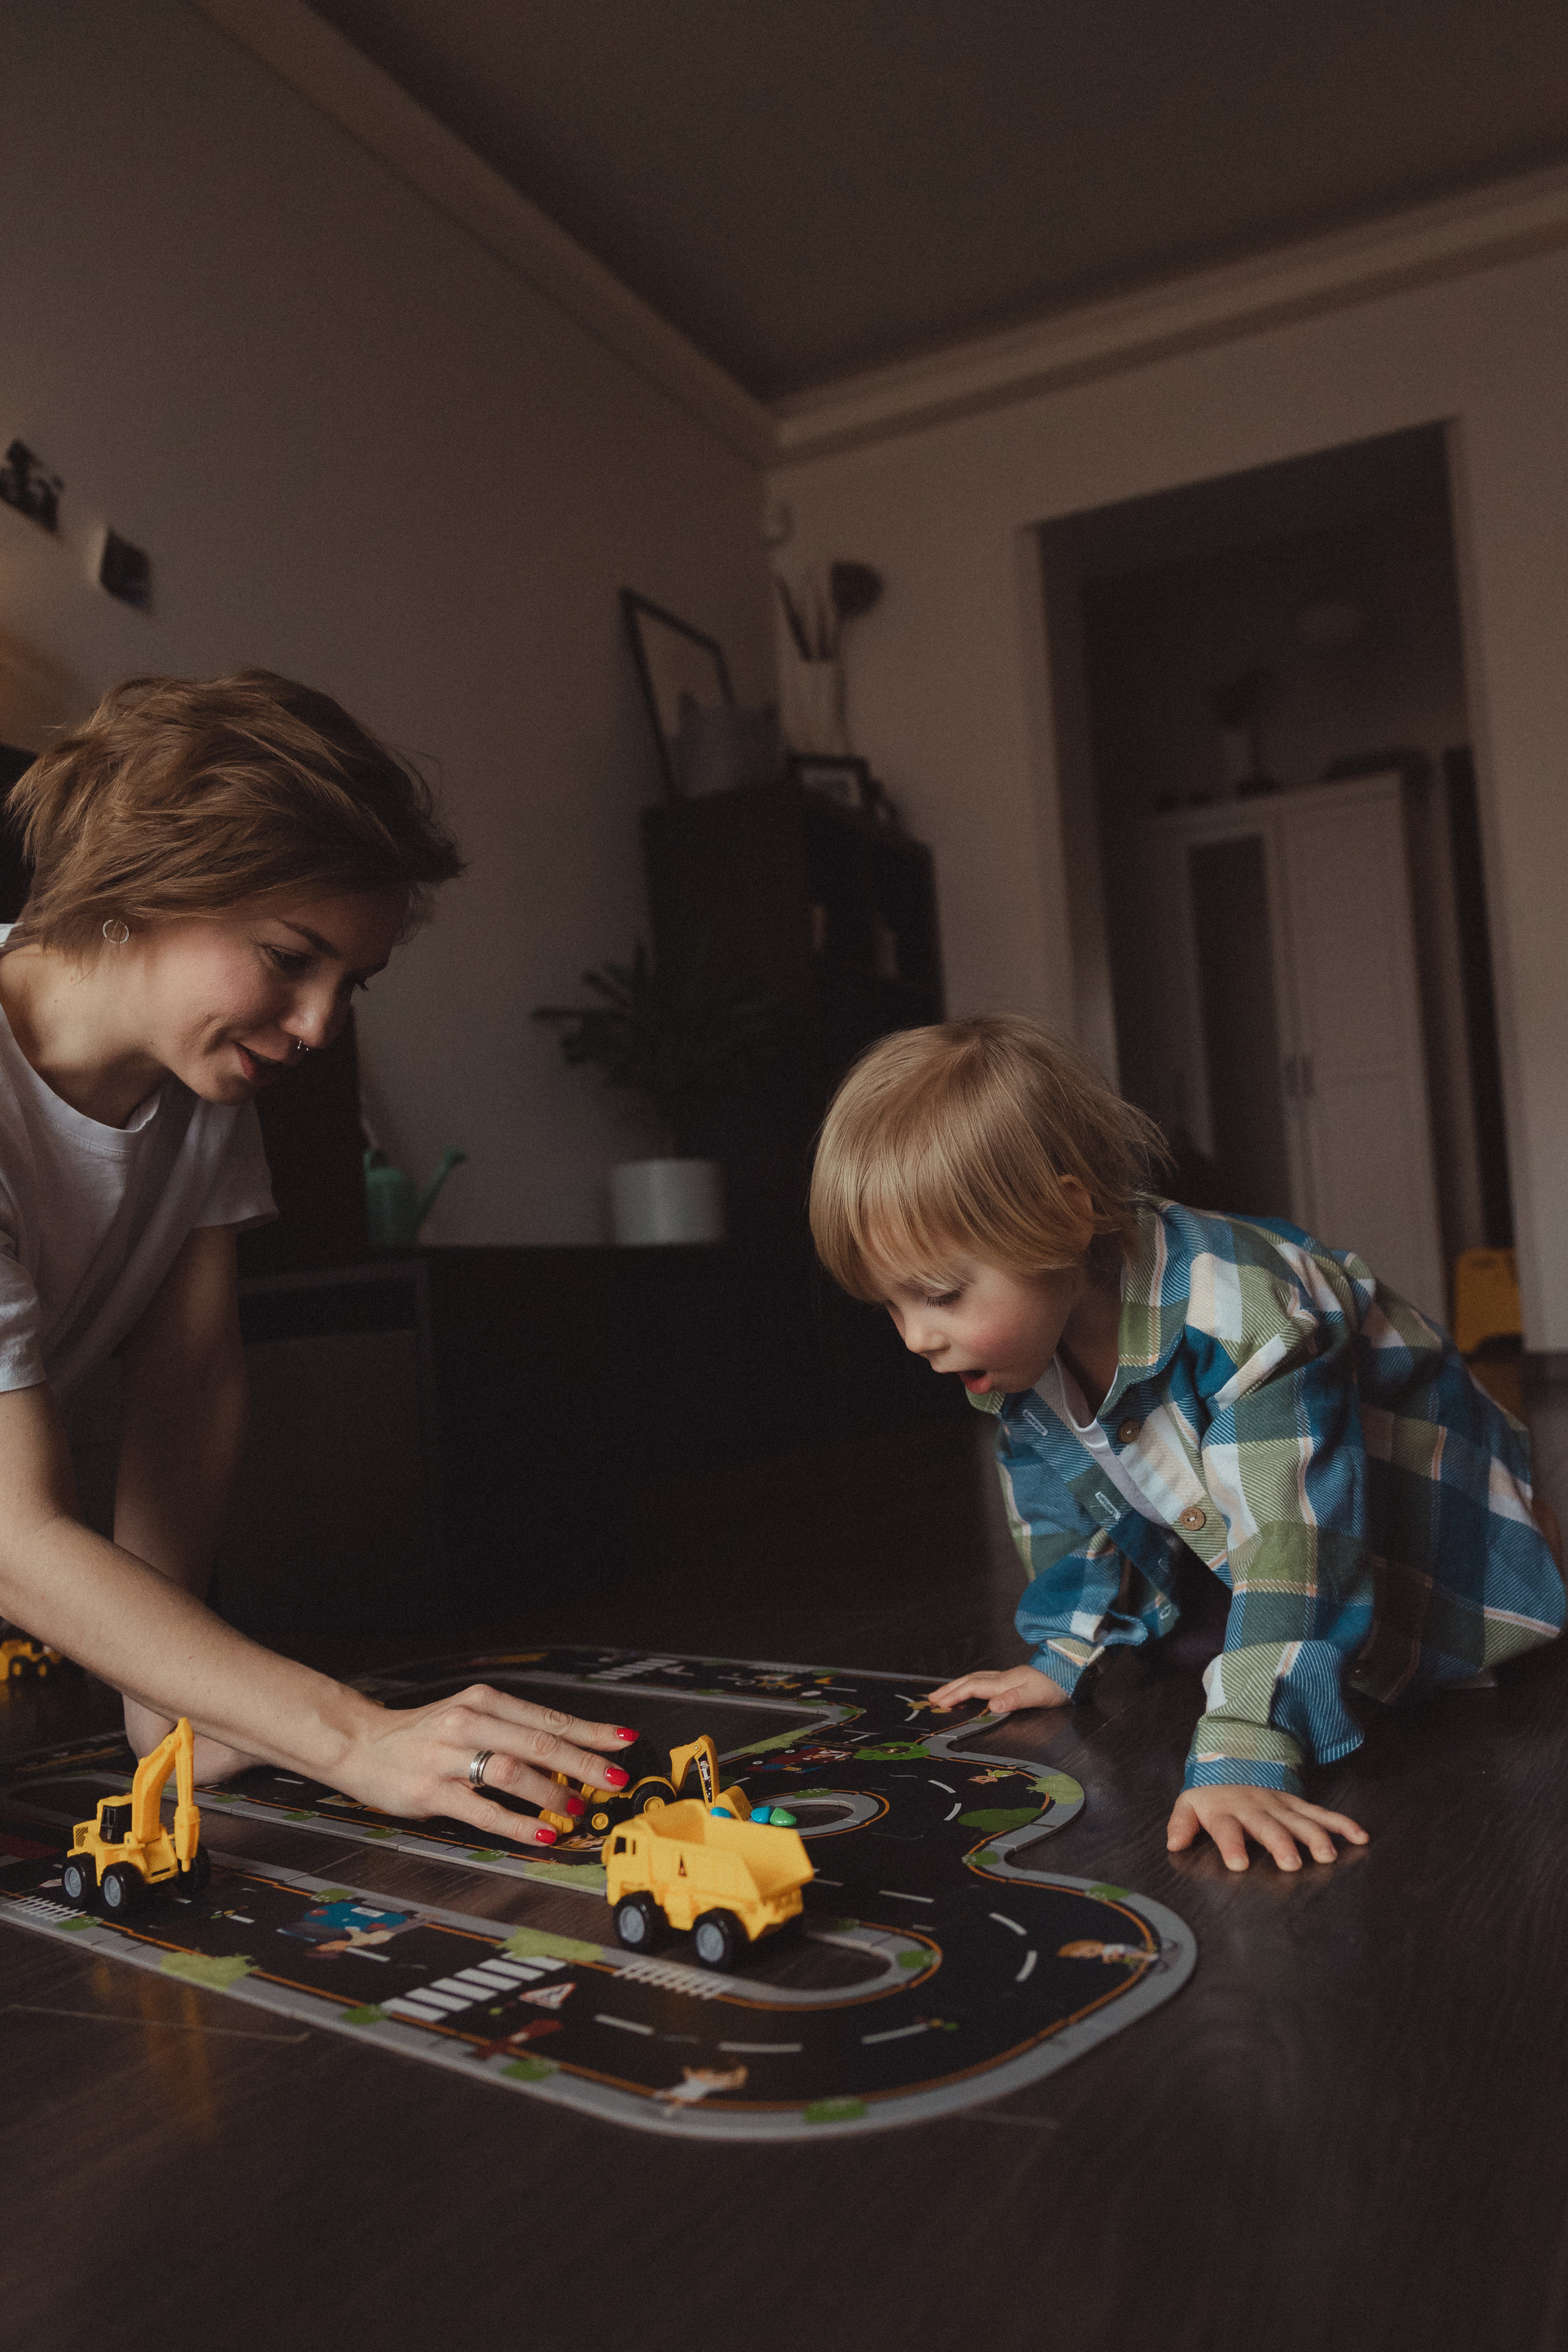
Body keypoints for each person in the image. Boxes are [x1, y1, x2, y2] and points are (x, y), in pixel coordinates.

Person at [0, 671, 637, 1839]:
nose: (319, 1025)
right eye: (290, 956)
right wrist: (352, 1736)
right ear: (144, 887)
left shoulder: (204, 1085)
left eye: (352, 982)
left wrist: (166, 1694)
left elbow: (187, 1375)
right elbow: (12, 1531)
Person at [809, 1015, 1564, 1872]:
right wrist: (1064, 1653)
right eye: (891, 1307)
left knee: (1483, 1630)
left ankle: (1533, 1540)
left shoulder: (1243, 1318)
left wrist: (1243, 1752)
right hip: (1247, 1508)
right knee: (1185, 1639)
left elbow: (1294, 1542)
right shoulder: (1018, 1356)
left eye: (940, 1295)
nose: (915, 1338)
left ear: (1064, 1217)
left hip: (1408, 1510)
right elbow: (1066, 1508)